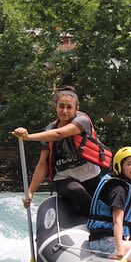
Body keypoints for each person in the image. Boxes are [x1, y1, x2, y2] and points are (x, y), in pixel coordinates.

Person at [12, 86, 111, 216]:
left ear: (77, 109)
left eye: (69, 107)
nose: (64, 111)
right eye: (61, 106)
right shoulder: (49, 131)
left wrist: (27, 137)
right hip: (65, 181)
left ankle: (108, 220)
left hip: (92, 178)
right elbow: (43, 164)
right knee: (76, 191)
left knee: (113, 193)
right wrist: (30, 192)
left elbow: (59, 134)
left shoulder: (82, 121)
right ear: (56, 107)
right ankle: (97, 217)